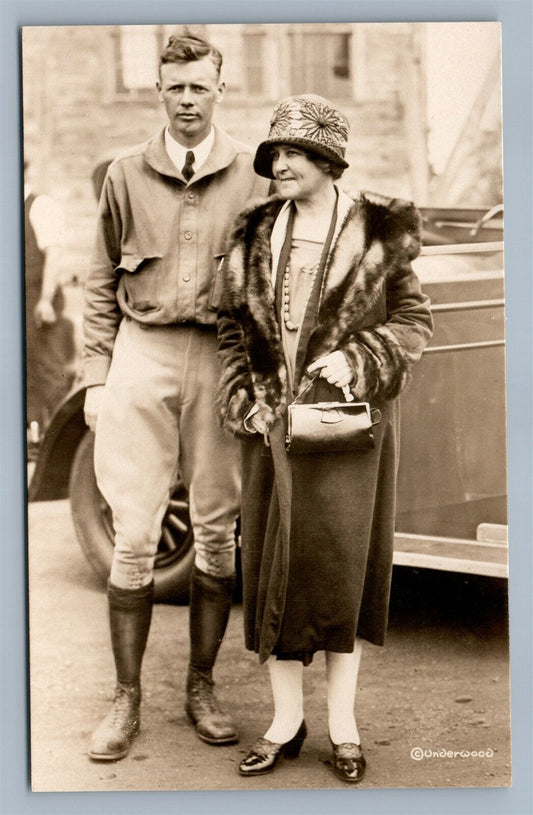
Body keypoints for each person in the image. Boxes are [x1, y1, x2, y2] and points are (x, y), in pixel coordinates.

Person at [216, 94, 433, 783]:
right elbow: (230, 329)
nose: (278, 165)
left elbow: (412, 321)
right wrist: (241, 394)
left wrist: (359, 358)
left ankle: (343, 725)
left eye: (293, 154)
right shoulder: (251, 231)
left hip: (346, 428)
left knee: (341, 572)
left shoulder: (375, 229)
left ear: (328, 160)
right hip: (272, 429)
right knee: (274, 572)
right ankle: (285, 722)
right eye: (273, 154)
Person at [82, 32, 268, 761]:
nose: (186, 101)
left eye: (198, 86)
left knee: (218, 531)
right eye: (174, 88)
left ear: (220, 87)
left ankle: (202, 684)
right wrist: (97, 376)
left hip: (220, 357)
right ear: (158, 91)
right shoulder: (126, 175)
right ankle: (125, 698)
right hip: (143, 348)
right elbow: (98, 279)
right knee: (133, 533)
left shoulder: (253, 174)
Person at [24, 160, 75, 451]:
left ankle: (62, 446)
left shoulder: (39, 206)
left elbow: (53, 256)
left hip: (37, 302)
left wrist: (44, 300)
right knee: (25, 371)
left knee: (49, 371)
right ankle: (33, 438)